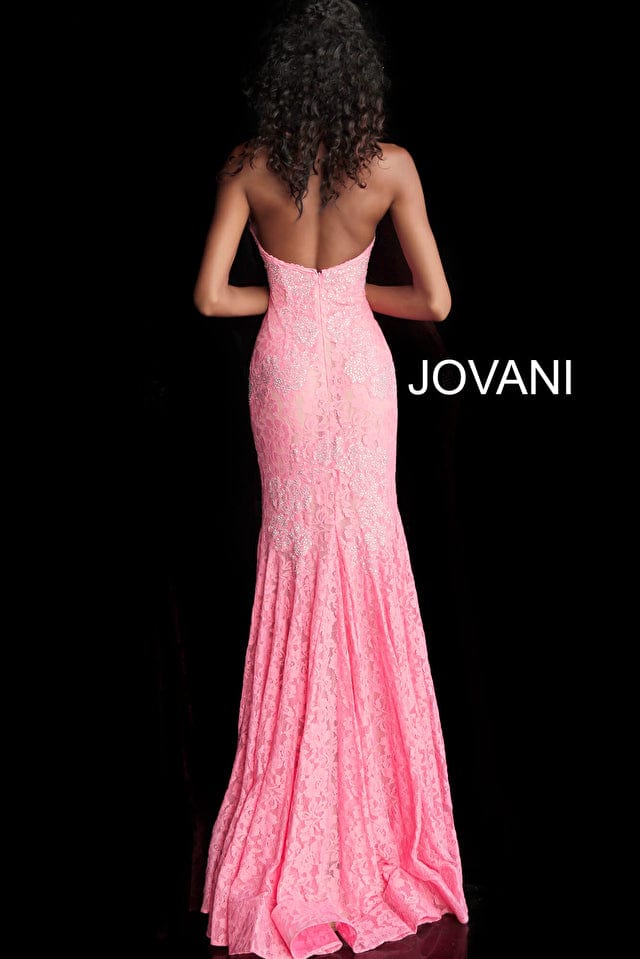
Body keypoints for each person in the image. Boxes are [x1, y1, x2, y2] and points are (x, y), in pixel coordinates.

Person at [193, 2, 468, 956]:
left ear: (281, 80)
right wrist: (349, 297)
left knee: (296, 558)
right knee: (369, 557)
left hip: (285, 371)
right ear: (361, 81)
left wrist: (290, 296)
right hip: (355, 365)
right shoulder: (390, 167)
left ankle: (293, 814)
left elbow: (209, 296)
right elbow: (434, 298)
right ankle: (377, 816)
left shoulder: (248, 165)